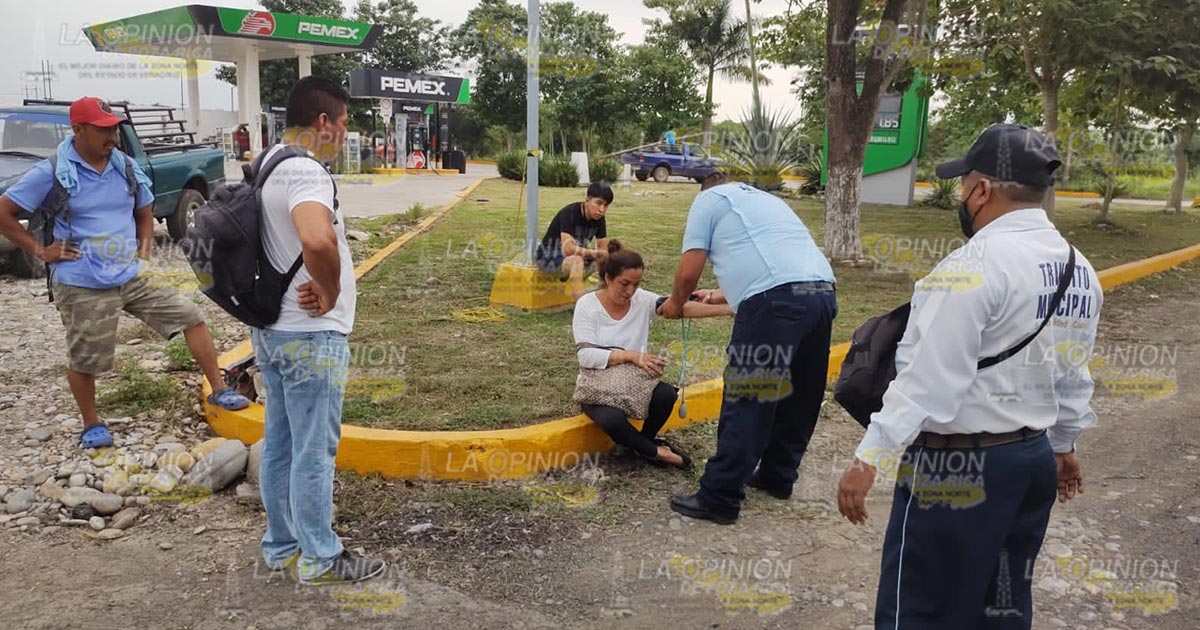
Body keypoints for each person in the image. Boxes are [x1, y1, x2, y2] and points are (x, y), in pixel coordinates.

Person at [836, 124, 1103, 628]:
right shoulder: (1079, 269)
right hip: (1030, 463)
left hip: (956, 468)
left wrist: (869, 458)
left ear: (982, 189)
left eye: (963, 184)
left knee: (918, 610)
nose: (961, 195)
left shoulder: (970, 267)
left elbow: (925, 380)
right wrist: (1065, 447)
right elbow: (1072, 371)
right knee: (1001, 607)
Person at [0, 96, 250, 449]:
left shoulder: (124, 166)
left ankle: (219, 389)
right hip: (81, 281)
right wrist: (42, 251)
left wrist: (143, 252)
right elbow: (5, 212)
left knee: (191, 316)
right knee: (86, 359)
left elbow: (144, 213)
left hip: (129, 274)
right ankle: (92, 423)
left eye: (115, 128)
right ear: (78, 130)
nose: (112, 136)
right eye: (103, 130)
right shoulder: (53, 171)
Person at [253, 75, 384, 585]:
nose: (346, 134)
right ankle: (320, 558)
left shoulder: (267, 162)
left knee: (281, 442)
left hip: (271, 330)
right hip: (309, 333)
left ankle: (281, 545)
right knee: (313, 448)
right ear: (323, 122)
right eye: (345, 123)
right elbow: (317, 239)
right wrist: (328, 290)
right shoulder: (306, 171)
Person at [659, 173, 837, 524]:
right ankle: (777, 476)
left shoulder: (708, 200)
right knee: (801, 394)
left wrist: (676, 304)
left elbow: (687, 271)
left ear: (705, 188)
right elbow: (780, 264)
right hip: (821, 293)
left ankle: (719, 497)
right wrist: (721, 295)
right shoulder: (768, 201)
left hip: (774, 303)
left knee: (748, 398)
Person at [572, 240, 731, 468]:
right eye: (624, 284)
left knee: (666, 395)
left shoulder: (641, 299)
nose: (630, 291)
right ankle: (658, 452)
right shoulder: (588, 305)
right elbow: (586, 356)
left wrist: (727, 309)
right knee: (612, 419)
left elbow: (677, 307)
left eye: (636, 285)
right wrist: (631, 356)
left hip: (635, 383)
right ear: (608, 279)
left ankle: (643, 443)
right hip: (599, 386)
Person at [535, 182, 615, 299]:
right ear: (587, 200)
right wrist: (596, 253)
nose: (602, 209)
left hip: (574, 258)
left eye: (606, 205)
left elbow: (603, 249)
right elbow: (568, 250)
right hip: (548, 256)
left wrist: (606, 256)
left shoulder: (599, 219)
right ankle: (580, 307)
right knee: (577, 261)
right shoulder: (570, 213)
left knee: (607, 261)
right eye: (598, 203)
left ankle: (602, 299)